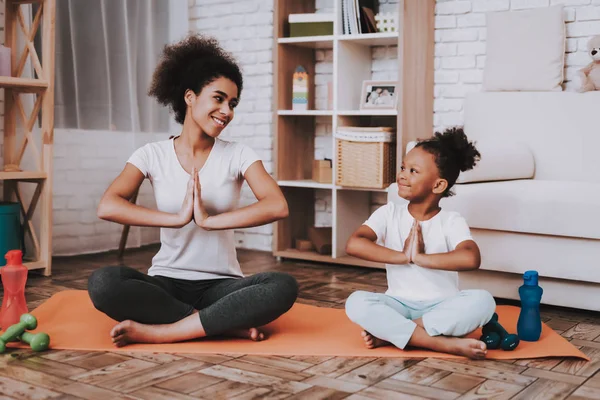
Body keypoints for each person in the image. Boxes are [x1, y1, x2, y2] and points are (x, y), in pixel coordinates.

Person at [87, 34, 298, 347]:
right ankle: (219, 323)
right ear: (189, 97)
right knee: (103, 283)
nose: (227, 111)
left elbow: (276, 205)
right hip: (166, 283)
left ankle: (165, 331)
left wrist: (209, 221)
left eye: (233, 103)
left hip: (222, 284)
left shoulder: (239, 154)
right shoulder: (151, 154)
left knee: (282, 286)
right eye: (218, 98)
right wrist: (177, 218)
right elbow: (108, 205)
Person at [344, 127, 496, 360]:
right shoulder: (388, 213)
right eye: (403, 167)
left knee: (483, 301)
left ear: (438, 186)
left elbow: (470, 258)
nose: (403, 175)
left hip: (442, 307)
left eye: (413, 171)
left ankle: (393, 333)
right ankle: (441, 344)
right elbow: (354, 244)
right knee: (356, 303)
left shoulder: (451, 221)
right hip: (398, 304)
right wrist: (403, 256)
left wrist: (421, 258)